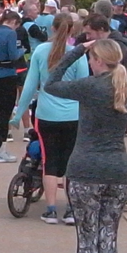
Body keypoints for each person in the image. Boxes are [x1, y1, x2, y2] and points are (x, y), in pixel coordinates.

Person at [44, 39, 127, 253]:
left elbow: (51, 82)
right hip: (118, 169)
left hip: (85, 168)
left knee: (87, 237)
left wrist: (77, 50)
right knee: (108, 235)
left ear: (97, 60)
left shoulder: (90, 87)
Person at [11, 12, 89, 225]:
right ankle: (71, 209)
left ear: (52, 28)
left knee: (49, 161)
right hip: (73, 115)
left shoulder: (40, 52)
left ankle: (51, 209)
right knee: (70, 161)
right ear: (73, 30)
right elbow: (84, 87)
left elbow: (30, 86)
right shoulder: (78, 55)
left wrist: (19, 114)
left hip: (46, 114)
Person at [0, 10, 25, 161]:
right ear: (14, 22)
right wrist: (21, 50)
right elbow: (13, 55)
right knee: (5, 114)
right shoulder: (11, 34)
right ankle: (0, 150)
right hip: (7, 76)